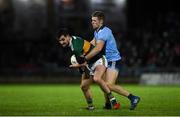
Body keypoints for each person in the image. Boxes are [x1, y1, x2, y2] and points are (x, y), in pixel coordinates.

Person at [79, 11, 140, 110]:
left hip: (113, 60)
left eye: (94, 21)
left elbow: (98, 48)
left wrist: (85, 58)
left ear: (101, 21)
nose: (92, 22)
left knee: (108, 85)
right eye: (92, 21)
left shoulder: (104, 31)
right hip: (105, 60)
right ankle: (108, 104)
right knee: (102, 83)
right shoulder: (97, 31)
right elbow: (91, 44)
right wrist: (80, 49)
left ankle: (133, 98)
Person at [56, 28, 120, 110]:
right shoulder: (73, 41)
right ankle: (91, 107)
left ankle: (113, 101)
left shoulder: (75, 47)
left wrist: (77, 66)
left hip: (98, 60)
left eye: (63, 39)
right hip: (90, 63)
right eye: (59, 41)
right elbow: (83, 60)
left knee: (98, 79)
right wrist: (81, 67)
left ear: (68, 36)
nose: (61, 42)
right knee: (84, 86)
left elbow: (83, 61)